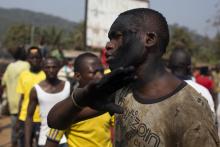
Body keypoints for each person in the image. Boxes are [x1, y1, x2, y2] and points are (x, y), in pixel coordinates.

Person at [48, 8, 219, 147]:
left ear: (149, 39)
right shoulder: (121, 86)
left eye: (118, 36)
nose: (108, 45)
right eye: (109, 38)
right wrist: (82, 97)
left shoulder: (190, 110)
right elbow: (55, 121)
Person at [46, 53, 114, 147]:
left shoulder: (108, 103)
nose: (100, 77)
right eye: (93, 73)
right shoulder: (68, 109)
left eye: (102, 72)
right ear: (78, 76)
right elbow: (51, 142)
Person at [25, 57, 69, 147]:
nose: (51, 70)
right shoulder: (36, 90)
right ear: (42, 68)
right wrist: (27, 143)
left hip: (66, 140)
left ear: (59, 68)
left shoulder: (68, 86)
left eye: (54, 67)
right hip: (44, 140)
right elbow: (29, 117)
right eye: (47, 67)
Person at [168, 48, 215, 113]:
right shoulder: (203, 91)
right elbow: (211, 118)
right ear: (189, 68)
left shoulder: (156, 90)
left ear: (169, 66)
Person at [16, 46, 46, 147]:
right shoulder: (23, 75)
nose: (35, 60)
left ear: (41, 59)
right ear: (27, 59)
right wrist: (18, 120)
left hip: (41, 120)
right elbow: (22, 98)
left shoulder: (46, 75)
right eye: (32, 57)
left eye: (37, 57)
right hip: (24, 118)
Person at [1, 47, 29, 146]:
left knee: (14, 130)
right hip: (27, 104)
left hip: (13, 105)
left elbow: (3, 83)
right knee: (26, 131)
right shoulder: (28, 66)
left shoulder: (10, 67)